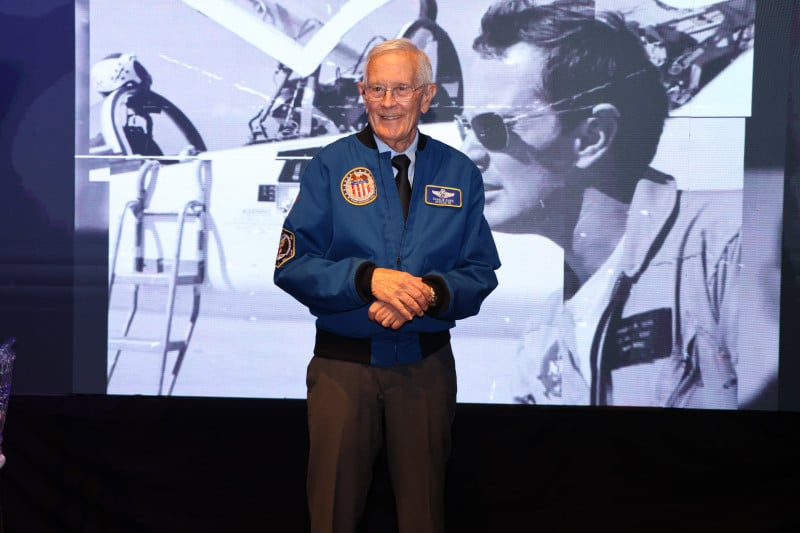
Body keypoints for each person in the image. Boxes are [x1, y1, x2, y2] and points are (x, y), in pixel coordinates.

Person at [459, 1, 741, 408]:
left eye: (491, 128)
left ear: (592, 138)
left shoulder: (732, 253)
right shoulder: (545, 339)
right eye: (465, 127)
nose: (467, 153)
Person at [273, 38, 500, 532]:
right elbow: (292, 264)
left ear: (426, 95)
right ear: (361, 92)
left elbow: (480, 271)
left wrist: (427, 295)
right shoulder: (330, 166)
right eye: (376, 88)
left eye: (401, 89)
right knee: (331, 514)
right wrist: (366, 280)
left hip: (425, 371)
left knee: (423, 513)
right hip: (341, 371)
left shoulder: (459, 172)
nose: (388, 101)